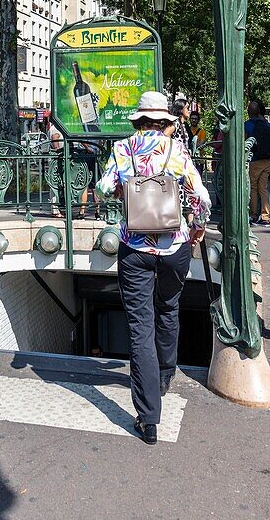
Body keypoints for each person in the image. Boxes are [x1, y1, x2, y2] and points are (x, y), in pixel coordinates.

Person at [95, 90, 210, 446]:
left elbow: (101, 189)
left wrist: (121, 193)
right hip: (174, 247)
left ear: (139, 121)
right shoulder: (177, 152)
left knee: (139, 327)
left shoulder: (123, 149)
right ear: (167, 123)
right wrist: (196, 226)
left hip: (134, 247)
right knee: (170, 307)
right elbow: (201, 199)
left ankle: (148, 420)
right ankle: (164, 373)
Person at [245, 100, 270, 226]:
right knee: (263, 188)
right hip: (267, 160)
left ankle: (253, 214)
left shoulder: (247, 125)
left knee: (252, 188)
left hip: (254, 160)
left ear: (248, 112)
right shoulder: (267, 125)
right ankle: (265, 216)